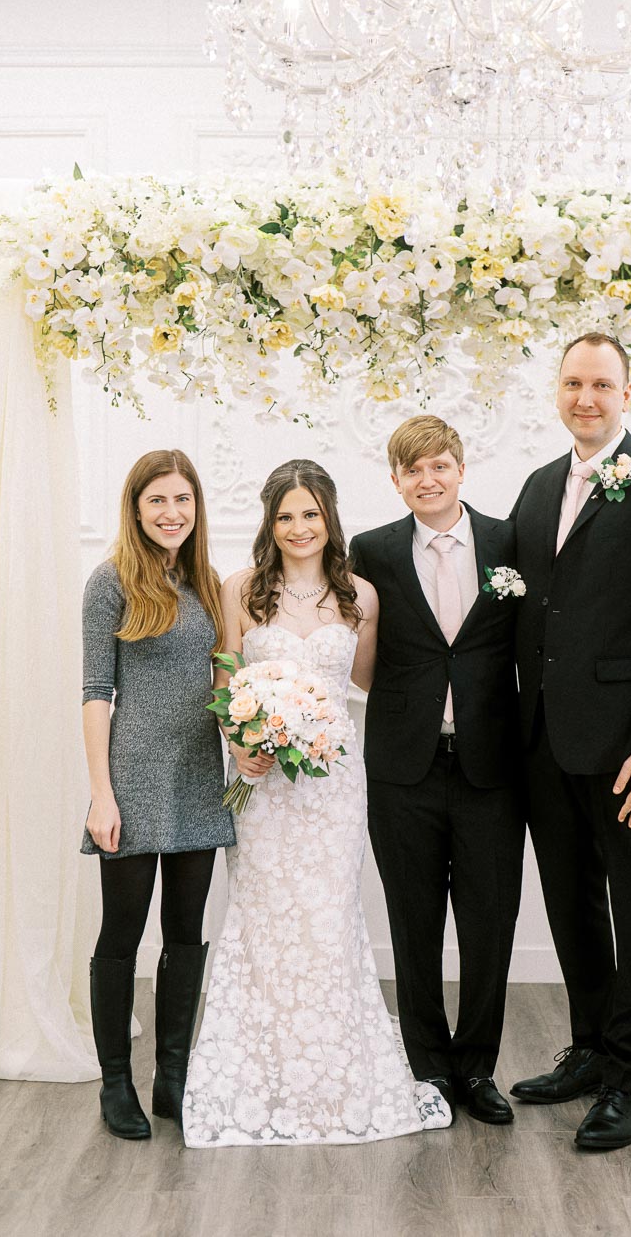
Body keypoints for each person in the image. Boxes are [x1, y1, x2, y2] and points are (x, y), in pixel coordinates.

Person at [182, 459, 450, 1147]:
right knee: (265, 917)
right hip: (263, 786)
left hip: (334, 787)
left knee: (329, 917)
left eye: (311, 513)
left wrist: (316, 726)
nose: (299, 528)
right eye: (285, 516)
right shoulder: (241, 590)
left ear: (329, 517)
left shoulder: (360, 595)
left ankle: (333, 1075)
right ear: (269, 524)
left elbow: (359, 690)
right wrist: (242, 742)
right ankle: (262, 1072)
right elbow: (225, 681)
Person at [509, 333, 631, 1151]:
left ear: (629, 392)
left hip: (630, 749)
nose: (585, 397)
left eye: (601, 384)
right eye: (572, 383)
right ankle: (589, 1048)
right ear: (557, 391)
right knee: (572, 904)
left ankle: (630, 1080)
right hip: (546, 741)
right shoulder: (535, 486)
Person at [349, 416, 526, 1127]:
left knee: (490, 924)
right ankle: (427, 1067)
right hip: (403, 767)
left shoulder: (509, 542)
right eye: (413, 469)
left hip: (491, 766)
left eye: (440, 465)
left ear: (461, 469)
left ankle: (477, 1067)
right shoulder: (373, 551)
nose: (428, 479)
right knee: (412, 923)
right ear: (396, 479)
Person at [81, 449, 235, 1140]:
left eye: (183, 500)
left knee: (185, 933)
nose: (172, 513)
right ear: (136, 508)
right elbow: (95, 693)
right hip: (134, 779)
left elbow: (225, 679)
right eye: (157, 501)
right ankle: (117, 1083)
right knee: (122, 933)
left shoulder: (208, 581)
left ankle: (171, 1078)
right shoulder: (109, 582)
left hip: (199, 775)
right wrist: (101, 794)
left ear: (196, 508)